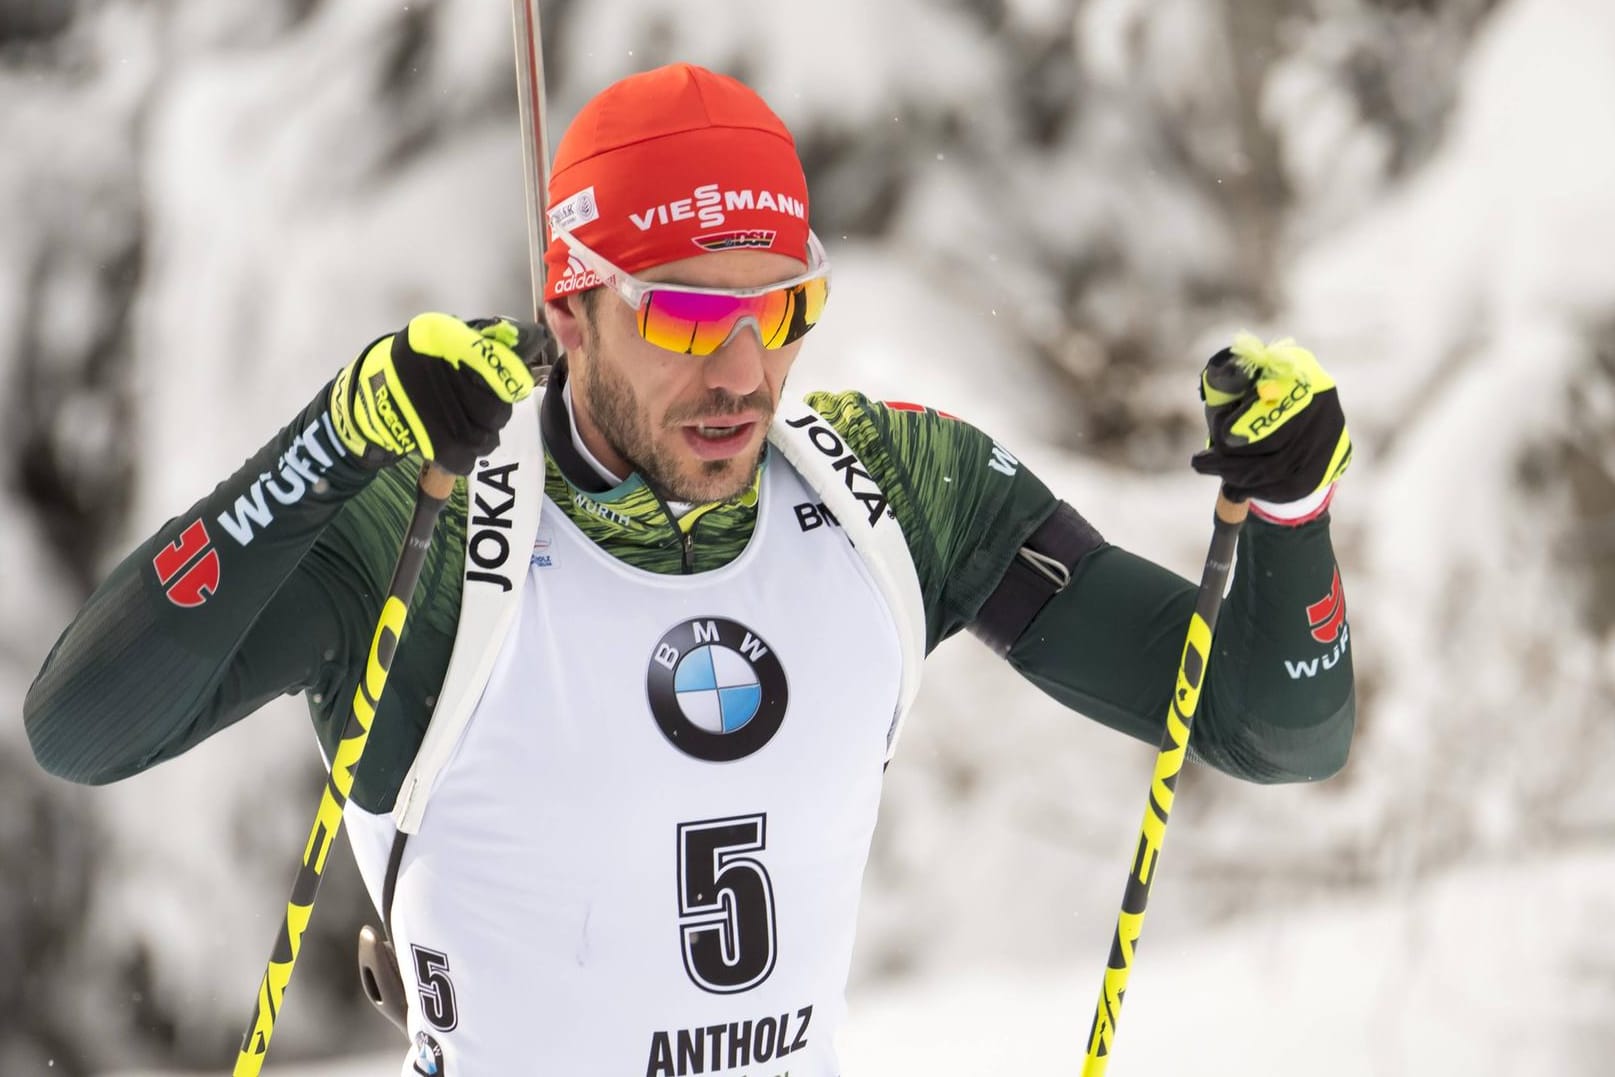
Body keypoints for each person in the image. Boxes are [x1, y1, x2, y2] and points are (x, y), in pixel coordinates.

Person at [24, 62, 1355, 1076]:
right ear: (569, 307)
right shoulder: (422, 534)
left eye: (778, 307)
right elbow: (81, 727)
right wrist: (329, 445)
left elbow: (1266, 722)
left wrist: (1288, 508)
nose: (743, 373)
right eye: (683, 311)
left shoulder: (892, 491)